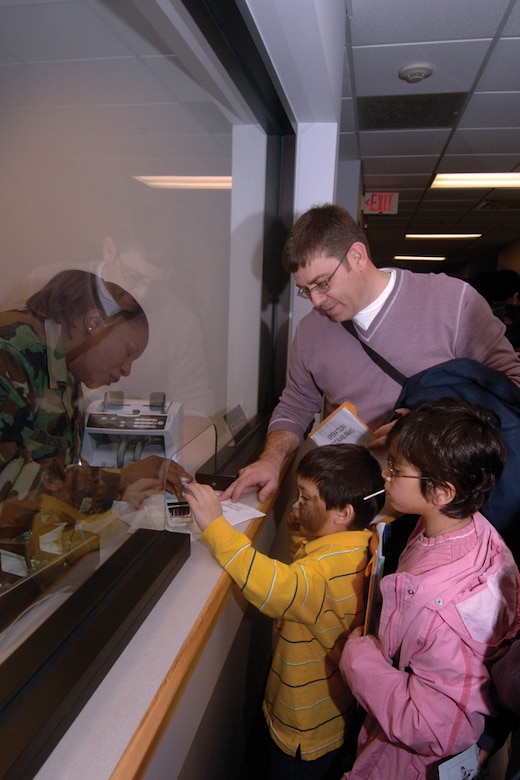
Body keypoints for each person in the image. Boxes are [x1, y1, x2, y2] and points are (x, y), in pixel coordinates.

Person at [222, 204, 520, 505]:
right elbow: (295, 408)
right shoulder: (311, 332)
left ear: (357, 256)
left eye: (322, 283)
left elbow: (511, 389)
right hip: (358, 500)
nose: (315, 300)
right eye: (305, 290)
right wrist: (270, 460)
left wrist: (419, 430)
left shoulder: (453, 302)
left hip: (443, 504)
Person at [339, 399, 520, 779]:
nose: (385, 476)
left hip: (407, 763)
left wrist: (358, 658)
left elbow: (433, 725)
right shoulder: (467, 529)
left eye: (395, 469)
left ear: (442, 493)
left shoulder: (440, 609)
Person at [184, 444, 386, 780]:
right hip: (329, 711)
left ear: (342, 513)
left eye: (305, 498)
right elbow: (308, 570)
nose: (297, 504)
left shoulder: (323, 574)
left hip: (302, 731)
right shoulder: (357, 544)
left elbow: (274, 588)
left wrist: (214, 526)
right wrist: (303, 525)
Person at [0, 269, 190, 536]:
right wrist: (118, 482)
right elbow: (6, 486)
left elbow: (53, 467)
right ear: (94, 322)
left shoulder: (66, 366)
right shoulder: (9, 353)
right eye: (128, 352)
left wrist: (120, 482)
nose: (126, 370)